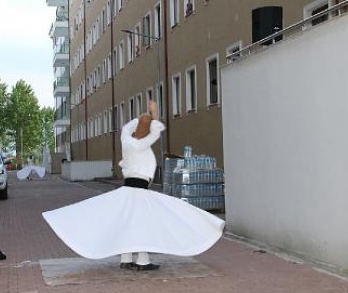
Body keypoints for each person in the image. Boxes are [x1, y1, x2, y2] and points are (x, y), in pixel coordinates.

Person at [42, 101, 224, 271]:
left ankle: (126, 259)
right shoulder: (140, 145)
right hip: (139, 192)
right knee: (142, 225)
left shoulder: (126, 141)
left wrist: (140, 119)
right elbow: (154, 133)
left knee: (127, 224)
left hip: (130, 190)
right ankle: (142, 261)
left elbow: (126, 129)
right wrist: (152, 118)